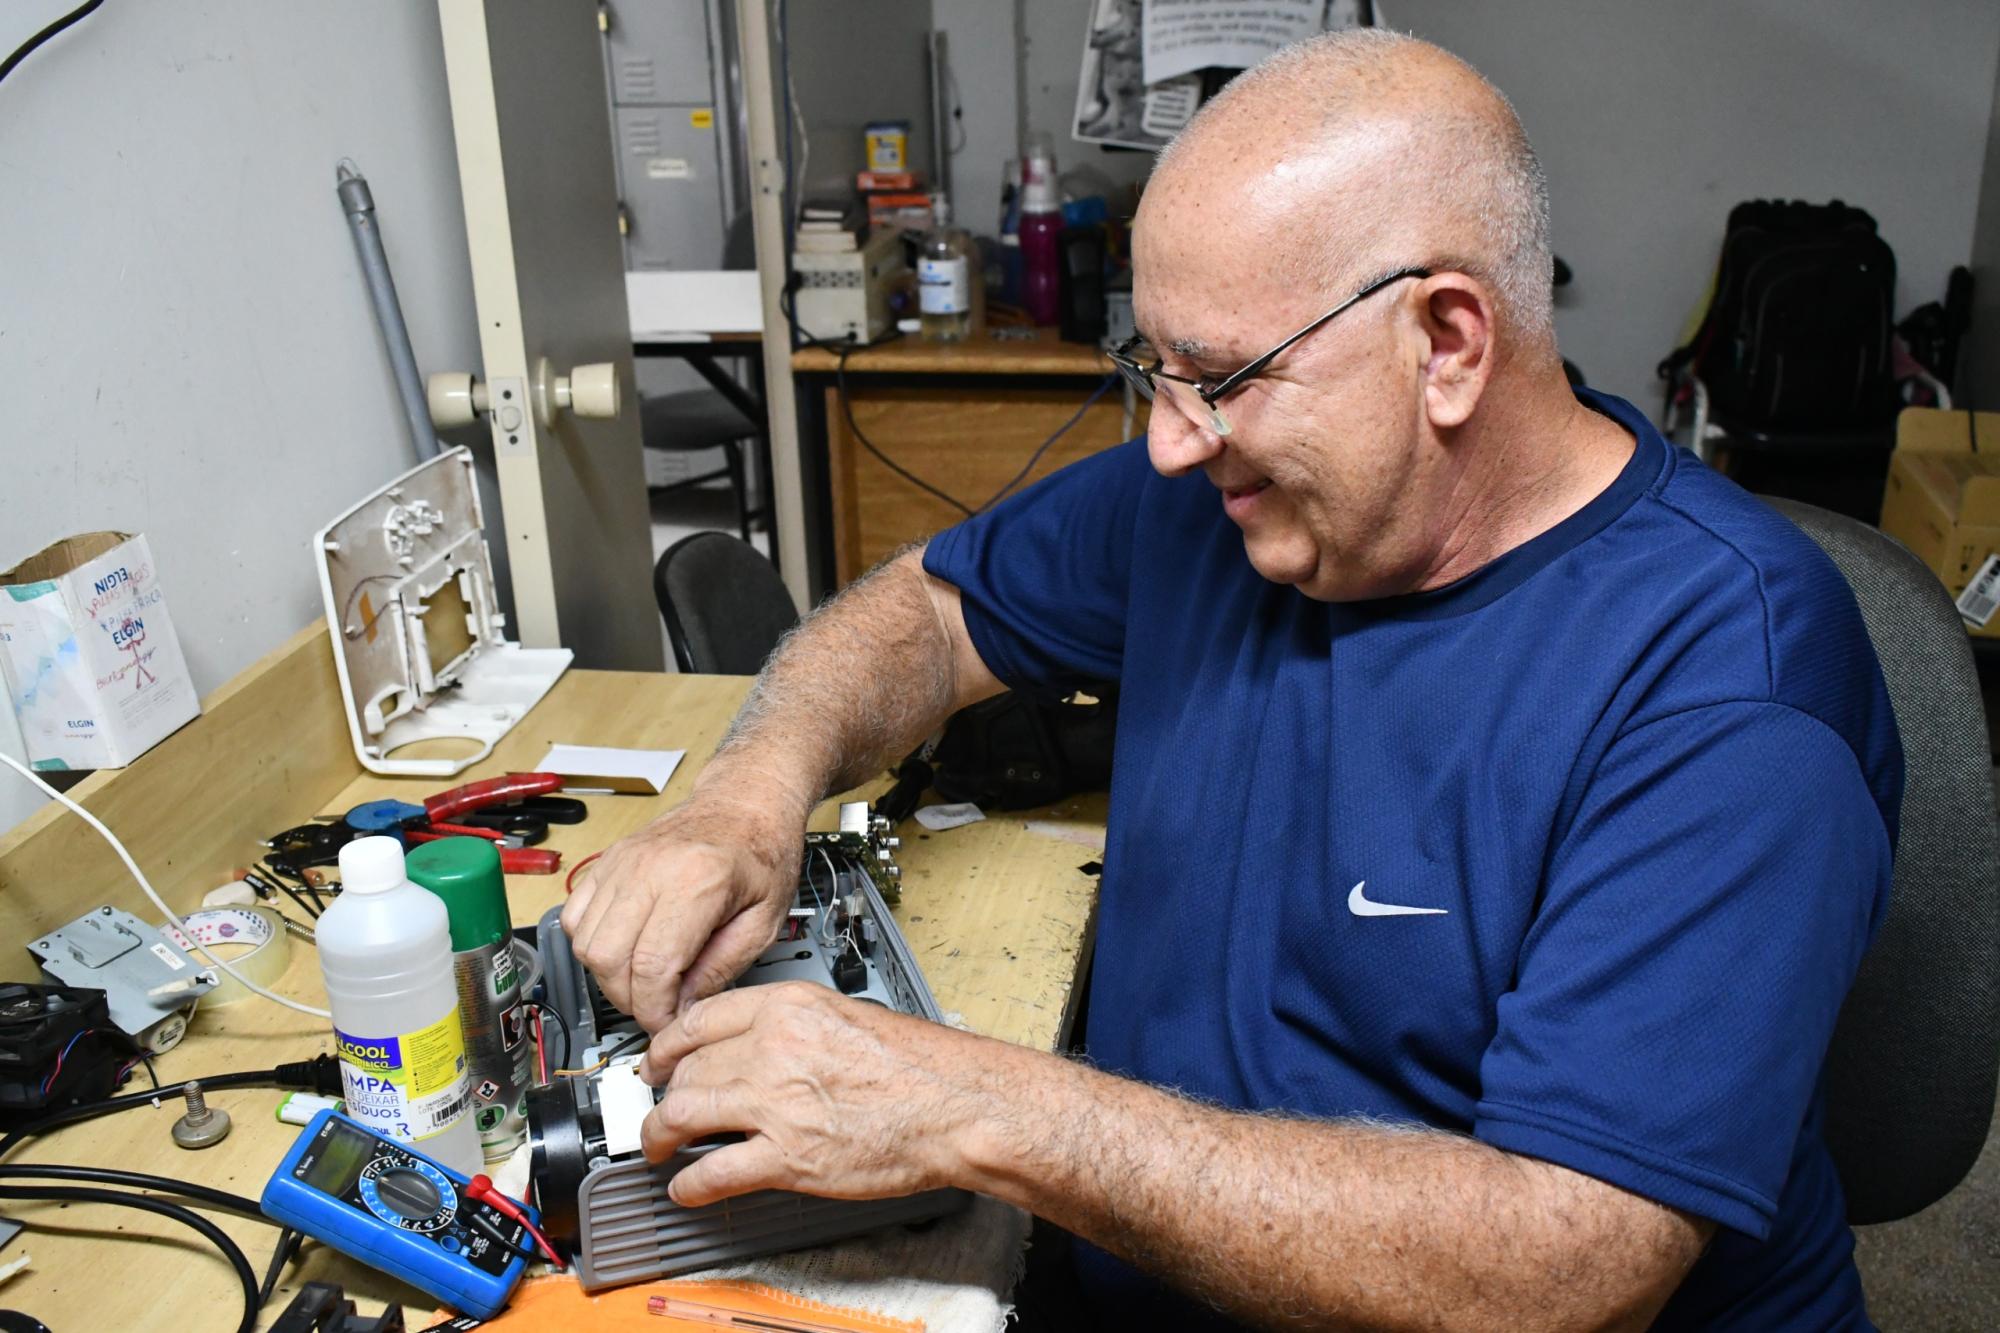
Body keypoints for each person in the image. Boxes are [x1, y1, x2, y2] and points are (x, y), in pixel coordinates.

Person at [562, 29, 1901, 1331]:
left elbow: (1561, 1272)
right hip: (1128, 1266)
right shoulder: (1228, 500)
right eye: (1155, 368)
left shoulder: (1729, 677)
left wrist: (978, 1107)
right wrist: (748, 795)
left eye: (1220, 377)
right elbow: (928, 609)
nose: (1167, 443)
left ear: (1447, 344)